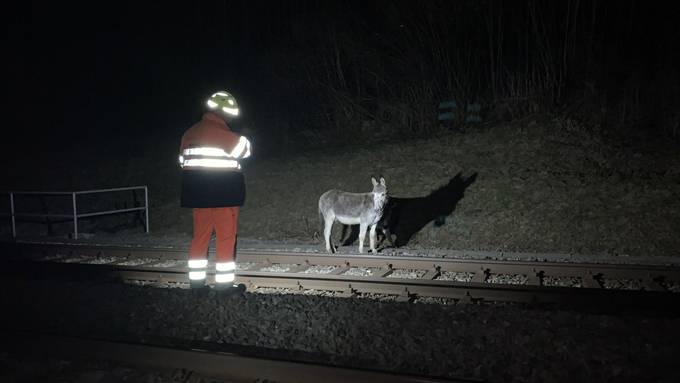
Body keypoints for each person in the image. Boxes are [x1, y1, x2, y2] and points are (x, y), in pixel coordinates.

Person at [178, 91, 251, 290]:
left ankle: (196, 284)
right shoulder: (224, 134)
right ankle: (224, 288)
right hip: (224, 195)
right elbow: (245, 150)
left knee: (200, 238)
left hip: (198, 197)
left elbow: (182, 162)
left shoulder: (189, 133)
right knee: (226, 238)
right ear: (224, 113)